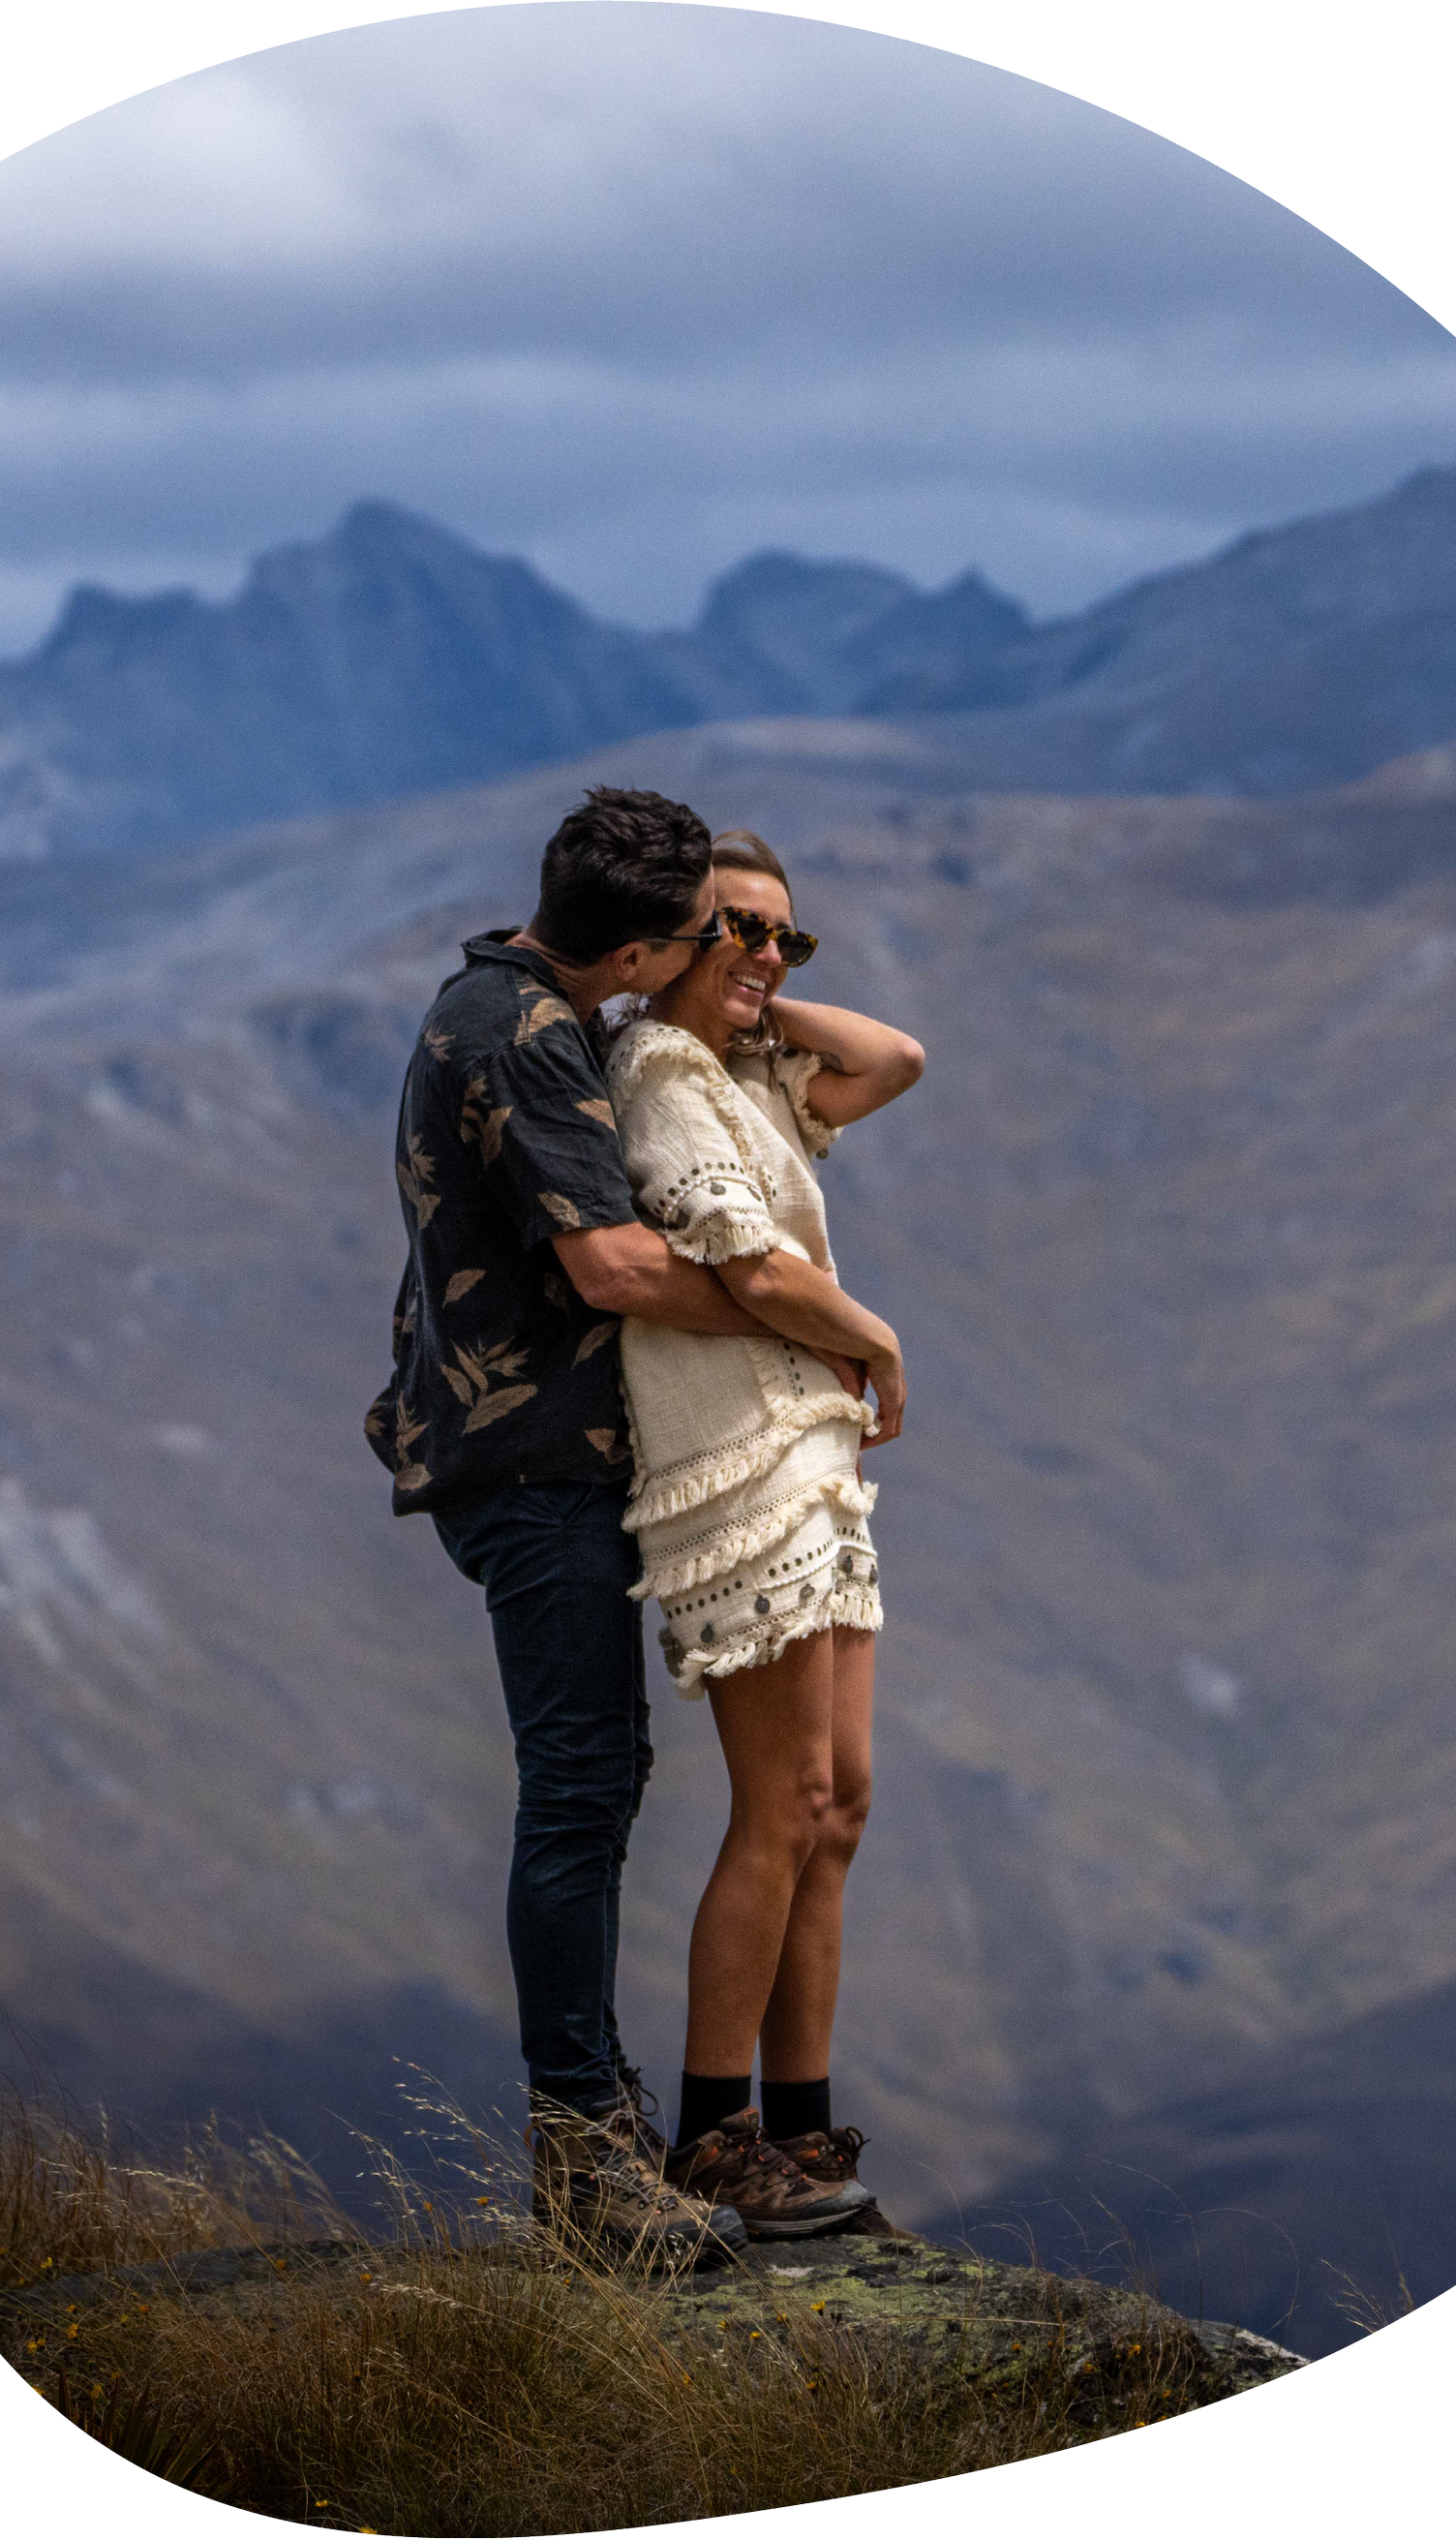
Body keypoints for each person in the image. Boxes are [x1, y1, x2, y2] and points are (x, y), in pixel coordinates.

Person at [365, 785, 772, 2263]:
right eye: (697, 937)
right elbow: (610, 1264)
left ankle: (595, 2134)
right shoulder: (530, 1036)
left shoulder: (504, 998)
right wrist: (789, 1315)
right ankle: (588, 2162)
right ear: (645, 951)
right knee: (580, 1789)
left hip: (523, 1454)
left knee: (592, 1783)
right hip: (533, 1460)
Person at [601, 829, 926, 2239]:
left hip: (816, 1457)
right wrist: (878, 1337)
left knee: (839, 1802)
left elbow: (895, 1057)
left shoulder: (749, 1072)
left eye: (788, 934)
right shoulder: (661, 1081)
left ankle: (800, 2123)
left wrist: (755, 992)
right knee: (780, 1799)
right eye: (735, 927)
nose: (768, 953)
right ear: (671, 937)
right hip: (737, 1464)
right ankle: (715, 2132)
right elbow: (749, 1264)